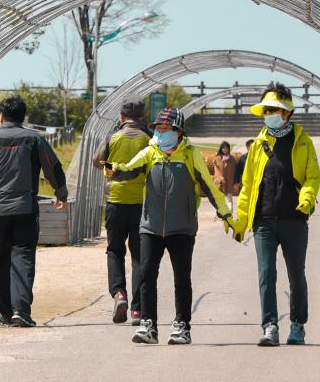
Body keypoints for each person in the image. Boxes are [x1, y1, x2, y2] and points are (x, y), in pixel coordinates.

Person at [104, 107, 232, 345]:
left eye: (166, 129)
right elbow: (129, 168)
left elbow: (209, 185)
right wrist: (114, 169)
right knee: (146, 276)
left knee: (182, 279)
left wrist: (225, 213)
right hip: (150, 226)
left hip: (182, 227)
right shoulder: (150, 152)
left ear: (178, 131)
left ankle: (182, 326)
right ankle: (148, 325)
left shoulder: (190, 155)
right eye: (158, 129)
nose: (161, 133)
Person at [232, 84, 320, 347]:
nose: (270, 114)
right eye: (267, 110)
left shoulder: (303, 141)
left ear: (288, 113)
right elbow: (248, 185)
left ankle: (297, 324)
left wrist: (307, 198)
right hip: (264, 222)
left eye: (276, 110)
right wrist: (240, 220)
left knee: (296, 274)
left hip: (294, 219)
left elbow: (312, 176)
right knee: (266, 274)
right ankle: (270, 326)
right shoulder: (258, 145)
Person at [0, 96, 68, 328]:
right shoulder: (34, 139)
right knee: (23, 256)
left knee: (1, 259)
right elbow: (52, 166)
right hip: (25, 208)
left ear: (1, 116)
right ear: (23, 117)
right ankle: (21, 311)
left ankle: (5, 313)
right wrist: (60, 193)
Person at [92, 98, 151, 325]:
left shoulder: (112, 137)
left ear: (121, 117)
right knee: (139, 255)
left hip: (115, 201)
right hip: (140, 204)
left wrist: (111, 168)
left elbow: (97, 161)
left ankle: (119, 294)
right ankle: (138, 310)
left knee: (115, 251)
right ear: (143, 117)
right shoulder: (148, 140)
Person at [212, 141, 237, 211]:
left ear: (229, 149)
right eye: (223, 148)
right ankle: (221, 213)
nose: (225, 149)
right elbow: (216, 171)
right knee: (220, 199)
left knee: (229, 198)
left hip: (229, 182)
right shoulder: (217, 159)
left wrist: (235, 180)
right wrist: (220, 178)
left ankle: (230, 214)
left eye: (226, 148)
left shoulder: (232, 159)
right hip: (220, 183)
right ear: (221, 149)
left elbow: (235, 170)